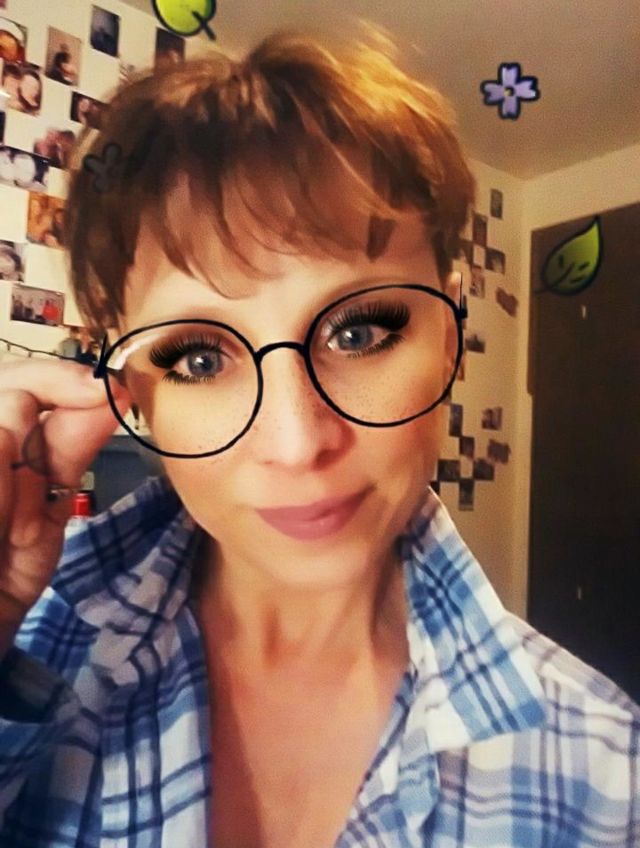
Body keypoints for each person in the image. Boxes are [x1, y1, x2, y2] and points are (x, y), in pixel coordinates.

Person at [0, 23, 637, 848]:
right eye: (200, 358)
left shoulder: (601, 775)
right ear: (128, 388)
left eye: (359, 332)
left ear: (449, 338)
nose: (298, 442)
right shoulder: (25, 656)